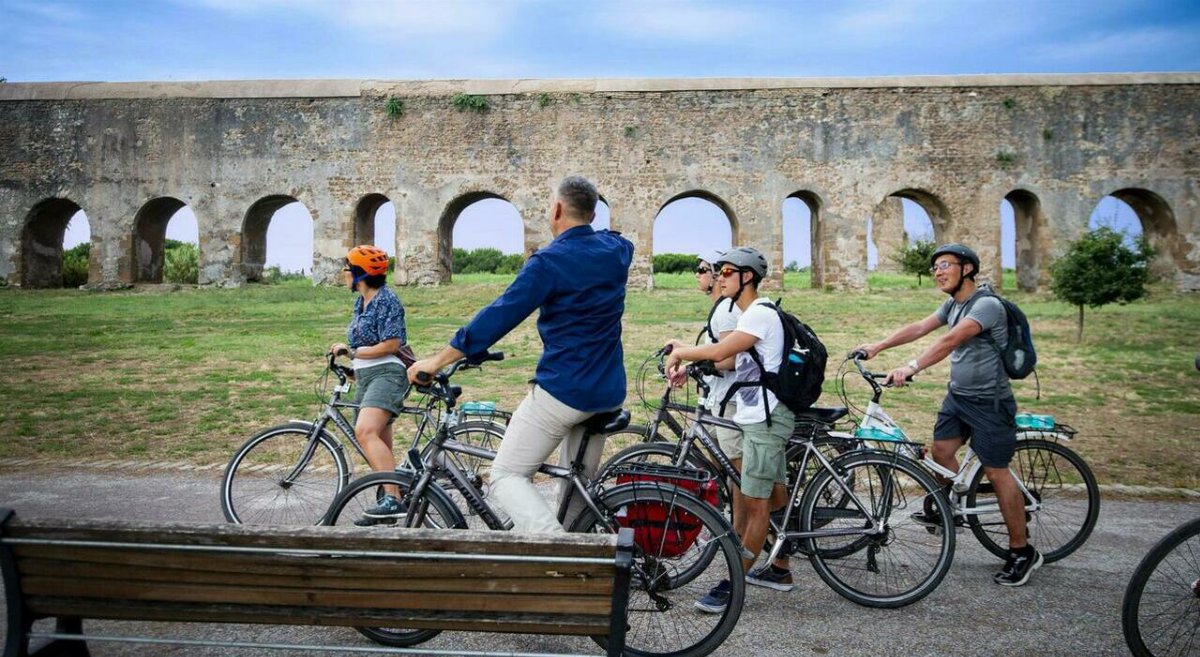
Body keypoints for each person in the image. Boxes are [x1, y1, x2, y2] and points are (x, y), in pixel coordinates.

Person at [408, 176, 634, 533]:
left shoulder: (549, 262)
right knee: (575, 488)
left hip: (566, 389)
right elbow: (620, 238)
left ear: (557, 209)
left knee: (506, 475)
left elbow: (501, 314)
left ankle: (559, 551)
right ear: (592, 213)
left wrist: (436, 361)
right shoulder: (616, 251)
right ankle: (583, 561)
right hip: (607, 391)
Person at [854, 242, 1042, 587]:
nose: (938, 272)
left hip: (991, 404)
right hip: (959, 398)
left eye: (945, 265)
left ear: (967, 268)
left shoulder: (985, 306)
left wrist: (910, 367)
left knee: (997, 472)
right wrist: (879, 345)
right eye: (935, 267)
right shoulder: (953, 304)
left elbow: (949, 342)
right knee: (939, 454)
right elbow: (920, 328)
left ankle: (1021, 551)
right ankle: (948, 509)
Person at [663, 246, 797, 613]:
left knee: (756, 505)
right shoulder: (753, 312)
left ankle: (733, 584)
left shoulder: (760, 314)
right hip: (758, 416)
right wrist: (687, 351)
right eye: (718, 272)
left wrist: (682, 353)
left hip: (764, 420)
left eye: (725, 272)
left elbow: (726, 350)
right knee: (767, 495)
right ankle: (785, 553)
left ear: (746, 277)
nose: (719, 277)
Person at [328, 245, 412, 526]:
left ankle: (393, 499)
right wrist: (354, 368)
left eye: (347, 268)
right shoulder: (362, 301)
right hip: (367, 376)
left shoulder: (386, 300)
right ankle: (389, 496)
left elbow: (391, 344)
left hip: (387, 374)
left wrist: (353, 353)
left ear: (359, 273)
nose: (343, 274)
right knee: (377, 442)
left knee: (365, 431)